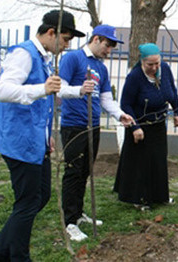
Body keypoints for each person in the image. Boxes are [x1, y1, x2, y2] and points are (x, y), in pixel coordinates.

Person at [0, 10, 85, 262]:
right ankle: (18, 257)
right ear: (51, 32)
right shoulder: (24, 54)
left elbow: (41, 105)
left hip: (34, 139)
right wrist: (43, 88)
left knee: (40, 196)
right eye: (66, 39)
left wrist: (45, 135)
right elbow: (4, 90)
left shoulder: (43, 58)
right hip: (17, 139)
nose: (66, 45)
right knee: (28, 202)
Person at [58, 24, 135, 241]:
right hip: (74, 125)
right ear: (97, 39)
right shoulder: (73, 59)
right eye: (108, 45)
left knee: (85, 171)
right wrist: (79, 90)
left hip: (93, 125)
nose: (110, 50)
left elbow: (105, 98)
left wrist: (120, 115)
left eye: (112, 46)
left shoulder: (101, 68)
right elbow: (59, 88)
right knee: (73, 172)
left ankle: (78, 212)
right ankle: (69, 222)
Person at [113, 43, 178, 210]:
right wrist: (135, 127)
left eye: (156, 63)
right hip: (140, 126)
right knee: (141, 164)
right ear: (142, 62)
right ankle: (139, 199)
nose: (154, 67)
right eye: (150, 64)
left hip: (158, 125)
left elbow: (172, 90)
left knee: (158, 161)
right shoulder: (135, 77)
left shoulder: (165, 69)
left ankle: (160, 196)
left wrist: (177, 112)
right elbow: (126, 104)